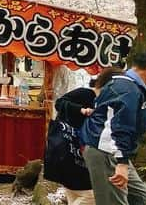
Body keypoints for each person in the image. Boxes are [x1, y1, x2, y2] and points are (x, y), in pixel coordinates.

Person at [81, 50, 146, 205]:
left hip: (115, 150)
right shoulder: (128, 89)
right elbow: (120, 127)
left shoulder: (124, 84)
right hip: (107, 151)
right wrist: (122, 163)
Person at [47, 68, 122, 205]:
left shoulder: (106, 104)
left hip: (82, 154)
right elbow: (60, 103)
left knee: (76, 194)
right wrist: (82, 110)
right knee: (91, 195)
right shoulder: (86, 94)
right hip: (69, 149)